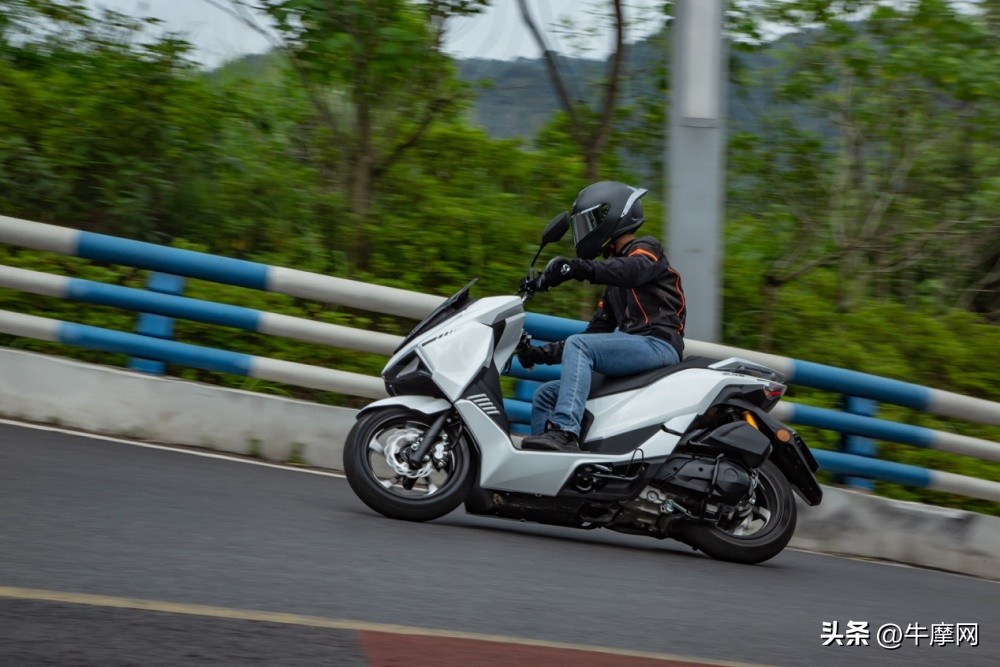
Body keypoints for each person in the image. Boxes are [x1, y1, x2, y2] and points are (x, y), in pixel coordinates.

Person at [518, 181, 686, 453]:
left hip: (659, 344)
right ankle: (543, 467)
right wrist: (536, 354)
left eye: (590, 222)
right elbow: (593, 337)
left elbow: (633, 269)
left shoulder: (646, 249)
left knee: (578, 347)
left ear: (612, 217)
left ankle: (565, 434)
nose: (585, 232)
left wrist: (576, 268)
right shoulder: (614, 288)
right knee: (546, 395)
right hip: (634, 348)